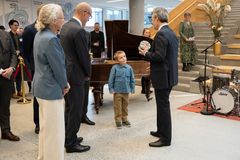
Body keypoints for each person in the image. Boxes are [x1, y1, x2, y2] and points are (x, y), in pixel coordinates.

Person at [33, 4, 69, 160]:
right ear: (54, 21)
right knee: (55, 133)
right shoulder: (51, 39)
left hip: (41, 88)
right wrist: (65, 85)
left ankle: (43, 157)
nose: (64, 19)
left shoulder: (40, 35)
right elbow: (58, 68)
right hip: (51, 90)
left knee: (45, 129)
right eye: (62, 17)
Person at [139, 7, 178, 147]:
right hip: (168, 75)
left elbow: (159, 56)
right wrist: (154, 66)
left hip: (163, 78)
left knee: (163, 107)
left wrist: (146, 53)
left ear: (156, 18)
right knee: (162, 105)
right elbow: (167, 57)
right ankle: (161, 131)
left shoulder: (161, 34)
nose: (152, 22)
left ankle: (165, 139)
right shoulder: (171, 32)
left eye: (152, 18)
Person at [60, 2, 92, 153]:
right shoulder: (78, 30)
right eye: (89, 15)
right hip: (77, 75)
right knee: (76, 110)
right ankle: (71, 143)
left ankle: (68, 136)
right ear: (84, 12)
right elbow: (84, 57)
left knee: (69, 108)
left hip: (68, 72)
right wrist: (88, 73)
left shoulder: (66, 26)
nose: (89, 19)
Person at [22, 4, 43, 134]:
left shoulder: (50, 30)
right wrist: (32, 67)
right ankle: (38, 123)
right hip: (36, 70)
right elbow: (25, 50)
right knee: (37, 97)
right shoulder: (30, 30)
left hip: (48, 69)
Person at [0, 29, 20, 141]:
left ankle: (5, 131)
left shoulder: (6, 34)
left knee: (5, 105)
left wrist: (12, 68)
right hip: (2, 73)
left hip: (7, 77)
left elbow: (13, 53)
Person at [108, 50, 135, 129]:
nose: (123, 59)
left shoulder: (129, 68)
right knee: (117, 107)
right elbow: (111, 79)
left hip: (126, 91)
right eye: (121, 58)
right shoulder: (114, 68)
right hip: (117, 91)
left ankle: (125, 119)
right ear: (117, 60)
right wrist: (111, 89)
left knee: (125, 106)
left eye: (124, 56)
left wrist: (132, 89)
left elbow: (132, 79)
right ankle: (118, 120)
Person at [8, 19, 22, 98]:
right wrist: (14, 52)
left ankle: (19, 91)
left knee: (19, 75)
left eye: (17, 25)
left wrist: (19, 51)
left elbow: (22, 45)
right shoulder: (8, 35)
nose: (16, 26)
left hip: (20, 58)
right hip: (12, 59)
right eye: (15, 25)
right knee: (12, 76)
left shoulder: (19, 35)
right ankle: (13, 92)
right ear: (10, 26)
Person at [141, 28, 153, 101]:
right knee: (144, 75)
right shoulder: (141, 40)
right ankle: (144, 89)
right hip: (143, 58)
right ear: (143, 33)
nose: (147, 33)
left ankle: (145, 89)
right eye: (146, 32)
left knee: (146, 75)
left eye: (148, 32)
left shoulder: (151, 40)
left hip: (149, 58)